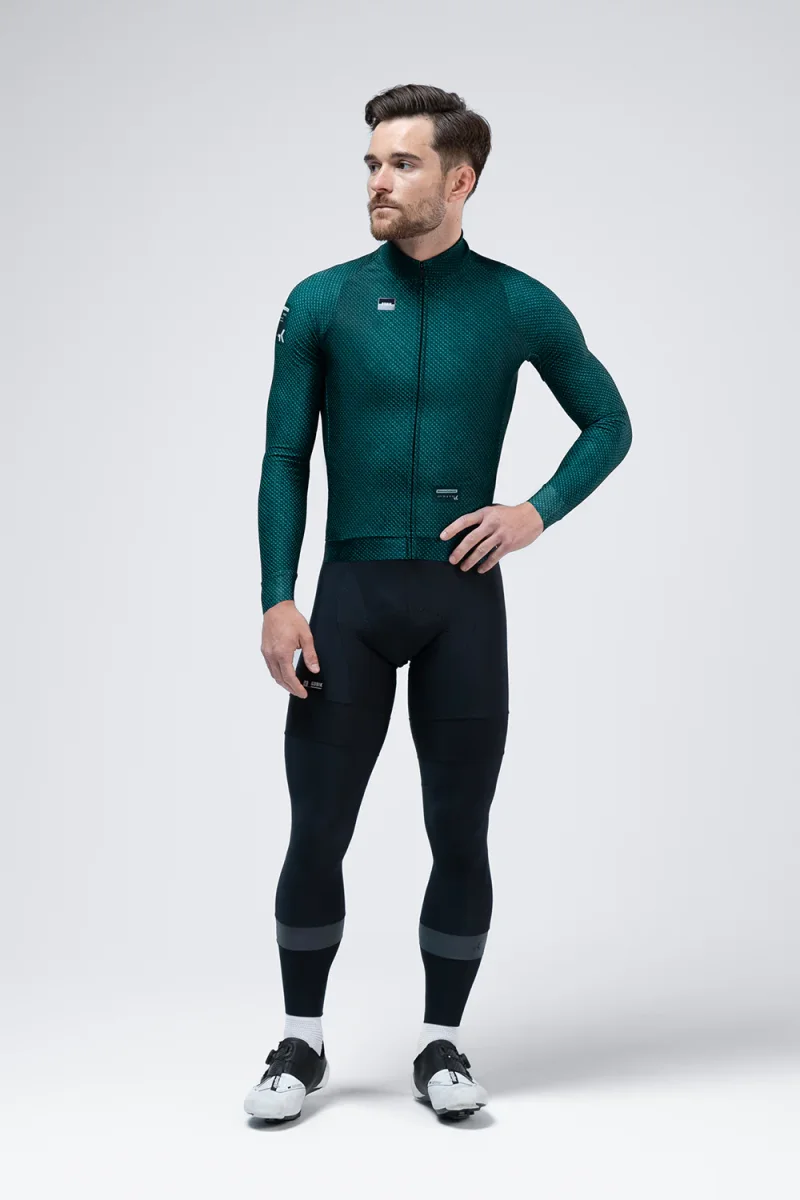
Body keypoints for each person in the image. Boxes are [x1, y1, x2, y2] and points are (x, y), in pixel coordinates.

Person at [243, 83, 632, 1124]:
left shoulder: (515, 303)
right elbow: (284, 459)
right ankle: (299, 1041)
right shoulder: (321, 300)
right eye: (372, 162)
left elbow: (608, 423)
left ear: (459, 181)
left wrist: (534, 512)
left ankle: (441, 1044)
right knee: (316, 829)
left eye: (402, 163)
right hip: (349, 601)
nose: (378, 180)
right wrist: (278, 596)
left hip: (462, 607)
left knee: (459, 833)